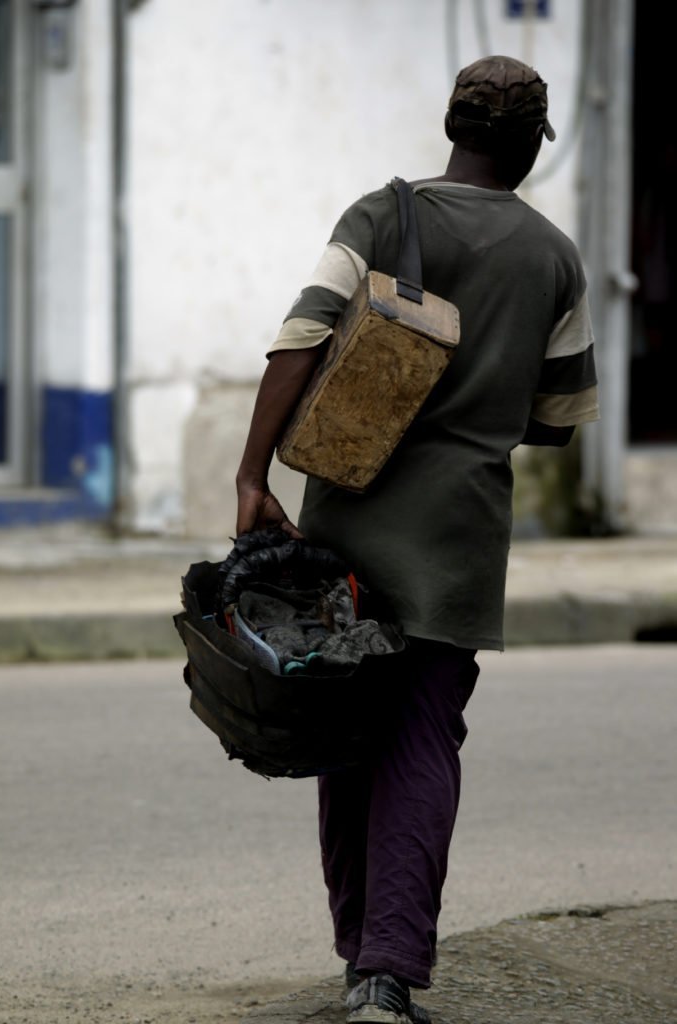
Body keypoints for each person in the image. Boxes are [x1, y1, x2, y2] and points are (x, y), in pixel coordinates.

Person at [234, 55, 600, 1024]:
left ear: (451, 126)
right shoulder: (553, 255)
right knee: (421, 738)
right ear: (527, 145)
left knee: (344, 734)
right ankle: (385, 976)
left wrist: (250, 473)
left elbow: (298, 339)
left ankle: (361, 953)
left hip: (347, 523)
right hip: (458, 541)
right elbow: (558, 415)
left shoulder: (376, 215)